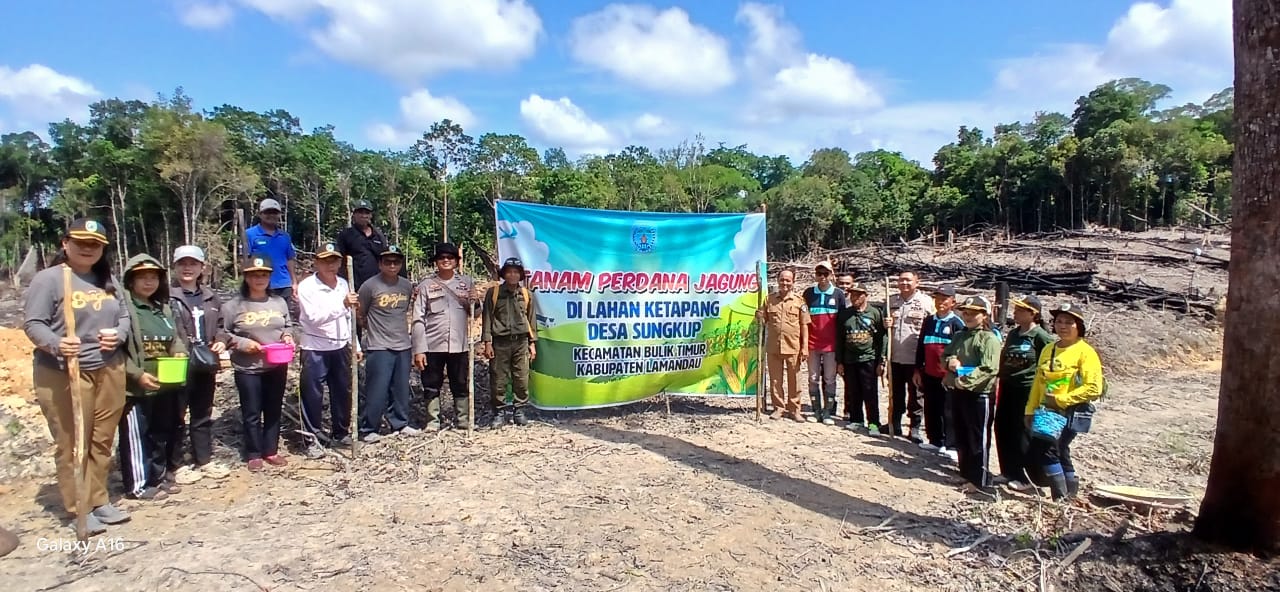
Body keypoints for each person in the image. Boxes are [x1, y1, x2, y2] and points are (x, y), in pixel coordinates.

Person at [24, 218, 131, 535]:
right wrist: (57, 343)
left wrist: (119, 334)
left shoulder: (108, 279)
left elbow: (124, 316)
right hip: (64, 372)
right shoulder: (50, 280)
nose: (88, 248)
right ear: (65, 243)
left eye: (95, 244)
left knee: (101, 438)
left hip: (109, 367)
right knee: (73, 441)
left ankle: (99, 499)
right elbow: (34, 324)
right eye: (81, 241)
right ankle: (77, 508)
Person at [117, 254, 189, 501]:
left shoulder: (161, 309)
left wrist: (179, 352)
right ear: (131, 281)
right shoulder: (125, 310)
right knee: (137, 436)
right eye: (142, 278)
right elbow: (117, 351)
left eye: (153, 278)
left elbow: (175, 338)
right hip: (137, 386)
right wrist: (136, 375)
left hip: (165, 381)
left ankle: (157, 478)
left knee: (161, 432)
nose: (148, 283)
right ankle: (137, 485)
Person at [221, 255, 296, 472]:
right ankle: (253, 453)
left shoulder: (278, 302)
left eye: (264, 275)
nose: (259, 279)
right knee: (252, 411)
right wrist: (244, 343)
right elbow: (223, 334)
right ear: (246, 277)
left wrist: (288, 337)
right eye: (254, 275)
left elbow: (288, 325)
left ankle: (270, 450)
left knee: (273, 409)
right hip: (248, 368)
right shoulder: (233, 306)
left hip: (276, 364)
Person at [1025, 303, 1104, 500]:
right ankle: (1070, 494)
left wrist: (1063, 399)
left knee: (1048, 450)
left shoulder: (1085, 352)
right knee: (1058, 450)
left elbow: (1094, 388)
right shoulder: (1049, 349)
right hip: (1047, 411)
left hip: (1072, 411)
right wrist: (1030, 409)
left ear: (1079, 326)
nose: (1063, 326)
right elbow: (1038, 382)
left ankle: (1060, 497)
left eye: (1069, 322)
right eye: (1059, 321)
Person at [169, 245, 232, 484]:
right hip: (177, 362)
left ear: (201, 267)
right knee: (175, 415)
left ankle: (203, 460)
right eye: (182, 264)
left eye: (193, 264)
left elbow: (221, 327)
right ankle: (173, 465)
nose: (188, 268)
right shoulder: (167, 296)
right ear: (175, 267)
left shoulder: (210, 297)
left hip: (205, 362)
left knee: (202, 413)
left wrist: (221, 341)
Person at [297, 242, 361, 457]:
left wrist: (356, 344)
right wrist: (342, 304)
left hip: (341, 345)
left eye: (334, 260)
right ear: (316, 262)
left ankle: (340, 432)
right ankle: (311, 439)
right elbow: (314, 318)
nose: (330, 265)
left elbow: (349, 316)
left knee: (342, 391)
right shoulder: (307, 287)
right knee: (313, 394)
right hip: (315, 347)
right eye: (325, 261)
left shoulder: (344, 283)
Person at [411, 242, 481, 430]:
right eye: (441, 258)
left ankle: (463, 420)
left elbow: (476, 313)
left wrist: (474, 301)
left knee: (460, 383)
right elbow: (417, 318)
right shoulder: (425, 286)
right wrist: (419, 349)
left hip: (459, 345)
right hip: (433, 345)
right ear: (436, 262)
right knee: (431, 384)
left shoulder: (466, 283)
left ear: (456, 262)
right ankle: (433, 422)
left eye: (450, 258)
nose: (446, 261)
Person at [941, 295, 1002, 493]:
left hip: (979, 394)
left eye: (973, 313)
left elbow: (989, 368)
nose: (968, 316)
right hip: (959, 392)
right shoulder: (960, 336)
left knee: (977, 438)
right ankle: (966, 474)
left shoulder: (989, 338)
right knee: (962, 434)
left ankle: (980, 480)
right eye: (965, 313)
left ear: (984, 315)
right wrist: (949, 362)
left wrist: (962, 381)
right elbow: (946, 354)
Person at [995, 295, 1055, 490]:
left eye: (1021, 310)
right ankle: (1008, 471)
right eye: (1016, 309)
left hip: (1026, 389)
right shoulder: (1013, 334)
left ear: (1033, 314)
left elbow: (1049, 364)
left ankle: (1024, 477)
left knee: (1021, 431)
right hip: (1007, 385)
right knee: (1003, 427)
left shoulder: (1041, 337)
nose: (1016, 313)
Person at [358, 245, 416, 441]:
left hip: (402, 344)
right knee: (377, 388)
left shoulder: (406, 286)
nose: (392, 265)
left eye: (396, 261)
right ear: (380, 264)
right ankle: (369, 428)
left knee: (400, 388)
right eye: (387, 262)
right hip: (379, 345)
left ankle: (400, 423)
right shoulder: (369, 286)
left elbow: (405, 309)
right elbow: (360, 314)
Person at [482, 257, 538, 428]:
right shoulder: (494, 293)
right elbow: (487, 318)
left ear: (520, 275)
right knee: (498, 379)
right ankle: (499, 412)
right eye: (509, 272)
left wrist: (532, 343)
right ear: (504, 274)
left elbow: (531, 320)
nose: (512, 275)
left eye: (516, 272)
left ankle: (519, 411)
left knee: (521, 378)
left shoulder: (527, 295)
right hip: (499, 343)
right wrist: (487, 342)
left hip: (521, 342)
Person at [914, 285, 965, 459]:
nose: (940, 302)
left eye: (944, 299)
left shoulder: (957, 323)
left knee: (948, 410)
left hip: (947, 375)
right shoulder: (929, 320)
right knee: (931, 406)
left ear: (953, 302)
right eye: (938, 298)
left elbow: (961, 351)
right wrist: (917, 369)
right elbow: (921, 346)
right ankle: (935, 440)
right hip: (929, 372)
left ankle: (951, 444)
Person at [886, 271, 935, 441]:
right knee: (895, 392)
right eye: (901, 280)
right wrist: (886, 323)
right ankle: (895, 423)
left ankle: (914, 427)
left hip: (915, 357)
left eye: (908, 280)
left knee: (916, 394)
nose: (904, 283)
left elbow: (932, 326)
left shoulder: (926, 302)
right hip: (895, 356)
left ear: (917, 282)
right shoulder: (892, 301)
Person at [834, 281, 886, 434]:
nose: (855, 297)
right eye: (852, 294)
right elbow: (840, 339)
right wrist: (840, 361)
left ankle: (874, 423)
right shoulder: (845, 314)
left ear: (866, 296)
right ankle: (856, 420)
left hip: (869, 358)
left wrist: (881, 360)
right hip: (850, 359)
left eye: (858, 294)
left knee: (870, 391)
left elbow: (882, 337)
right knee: (853, 391)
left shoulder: (875, 313)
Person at [758, 269, 809, 422]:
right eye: (782, 280)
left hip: (793, 346)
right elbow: (763, 321)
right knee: (775, 380)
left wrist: (805, 347)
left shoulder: (800, 301)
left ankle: (794, 410)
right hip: (774, 346)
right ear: (778, 280)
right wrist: (759, 316)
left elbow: (805, 325)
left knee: (795, 379)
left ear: (793, 282)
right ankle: (778, 408)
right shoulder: (769, 300)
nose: (785, 283)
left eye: (788, 280)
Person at [803, 260, 847, 425]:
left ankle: (828, 412)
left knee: (830, 378)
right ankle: (816, 411)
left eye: (825, 274)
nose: (822, 277)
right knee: (813, 378)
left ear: (831, 275)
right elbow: (804, 319)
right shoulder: (808, 293)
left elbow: (842, 321)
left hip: (831, 345)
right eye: (819, 273)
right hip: (813, 344)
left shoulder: (838, 294)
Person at [244, 198, 298, 319]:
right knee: (261, 318)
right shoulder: (249, 234)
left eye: (274, 212)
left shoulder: (285, 236)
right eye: (267, 212)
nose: (271, 215)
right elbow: (244, 260)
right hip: (260, 284)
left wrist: (294, 282)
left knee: (283, 318)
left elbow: (290, 259)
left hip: (284, 285)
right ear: (260, 214)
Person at [337, 200, 407, 289]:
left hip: (378, 286)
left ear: (370, 215)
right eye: (360, 212)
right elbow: (339, 261)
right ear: (354, 214)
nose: (363, 215)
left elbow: (385, 259)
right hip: (356, 286)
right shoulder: (346, 235)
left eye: (366, 213)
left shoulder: (378, 235)